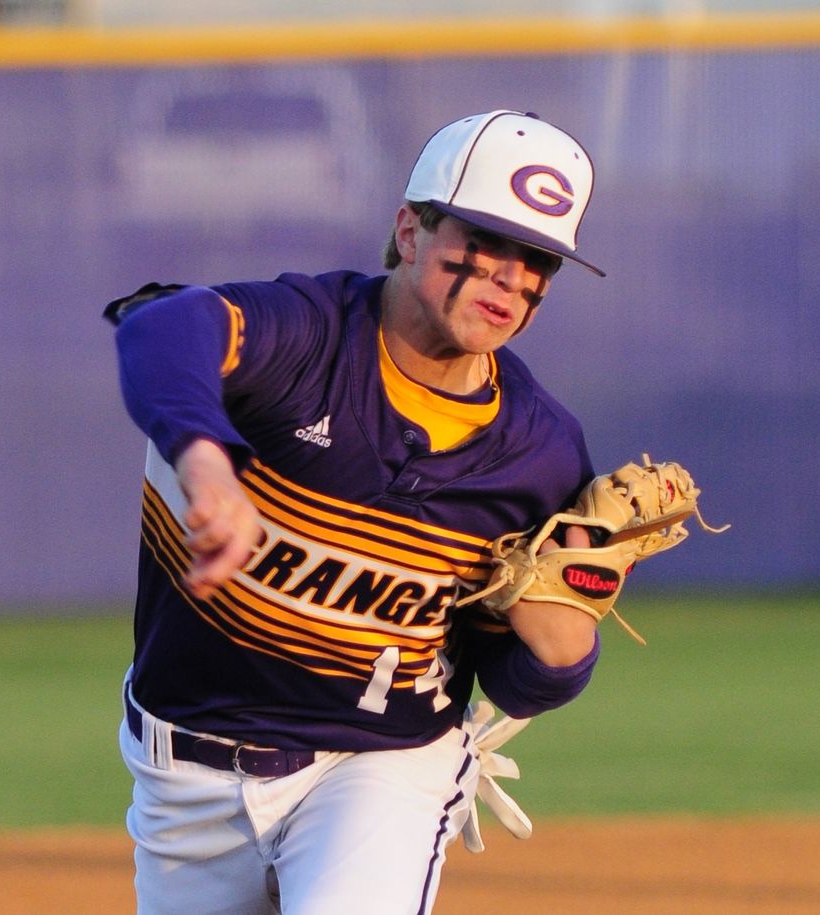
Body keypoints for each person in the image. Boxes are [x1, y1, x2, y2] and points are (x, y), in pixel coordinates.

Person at [106, 109, 606, 915]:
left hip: (378, 766)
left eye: (538, 256)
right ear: (410, 230)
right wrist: (204, 458)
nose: (510, 275)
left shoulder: (538, 455)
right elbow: (163, 326)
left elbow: (509, 671)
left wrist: (562, 657)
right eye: (486, 240)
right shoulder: (307, 338)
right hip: (184, 778)